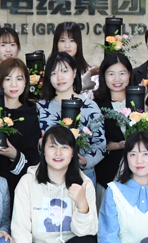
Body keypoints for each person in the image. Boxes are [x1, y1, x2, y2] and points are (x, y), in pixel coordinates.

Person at [11, 126, 98, 243]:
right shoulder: (27, 182)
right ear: (43, 150)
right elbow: (20, 229)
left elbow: (88, 231)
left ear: (73, 152)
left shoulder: (84, 183)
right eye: (52, 146)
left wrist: (82, 205)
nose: (58, 153)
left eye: (64, 147)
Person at [36, 51, 106, 184]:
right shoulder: (41, 107)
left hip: (83, 175)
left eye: (64, 71)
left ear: (74, 72)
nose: (59, 77)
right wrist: (40, 146)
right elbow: (31, 144)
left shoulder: (90, 106)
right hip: (49, 177)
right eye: (53, 73)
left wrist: (87, 161)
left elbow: (100, 143)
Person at [0, 58, 41, 214]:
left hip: (18, 187)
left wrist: (14, 155)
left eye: (19, 78)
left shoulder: (32, 113)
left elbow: (34, 160)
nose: (14, 84)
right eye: (8, 79)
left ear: (26, 82)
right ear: (0, 80)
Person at [92, 53, 134, 188]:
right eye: (111, 74)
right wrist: (115, 145)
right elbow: (92, 140)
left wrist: (145, 107)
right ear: (103, 76)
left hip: (140, 172)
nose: (117, 79)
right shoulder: (96, 104)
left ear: (129, 74)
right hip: (108, 172)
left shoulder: (140, 98)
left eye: (122, 73)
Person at [51, 21, 97, 96]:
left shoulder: (90, 73)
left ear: (78, 43)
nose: (67, 45)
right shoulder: (47, 71)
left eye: (72, 40)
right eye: (62, 40)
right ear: (56, 43)